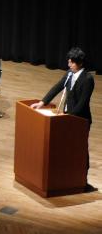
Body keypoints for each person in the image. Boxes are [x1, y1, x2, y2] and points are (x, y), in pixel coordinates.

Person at [31, 47, 94, 175]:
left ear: (80, 63)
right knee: (66, 145)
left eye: (72, 62)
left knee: (80, 147)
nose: (69, 64)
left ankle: (83, 174)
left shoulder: (88, 79)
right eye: (69, 61)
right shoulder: (69, 73)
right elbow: (57, 87)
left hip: (80, 119)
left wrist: (69, 118)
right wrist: (42, 102)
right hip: (67, 116)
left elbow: (82, 103)